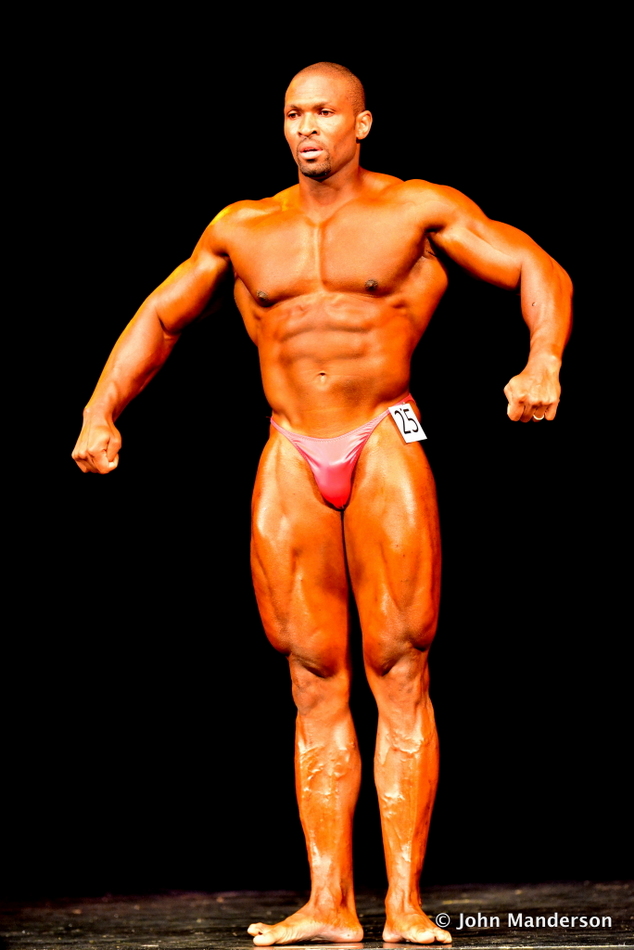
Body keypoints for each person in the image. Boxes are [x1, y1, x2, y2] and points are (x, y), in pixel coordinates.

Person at [72, 62, 572, 946]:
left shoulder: (415, 210)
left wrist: (544, 360)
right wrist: (99, 409)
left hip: (385, 435)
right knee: (311, 678)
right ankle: (329, 905)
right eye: (293, 114)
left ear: (362, 123)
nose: (306, 128)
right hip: (289, 449)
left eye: (324, 113)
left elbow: (538, 267)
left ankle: (405, 905)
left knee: (400, 666)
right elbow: (162, 316)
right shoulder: (242, 226)